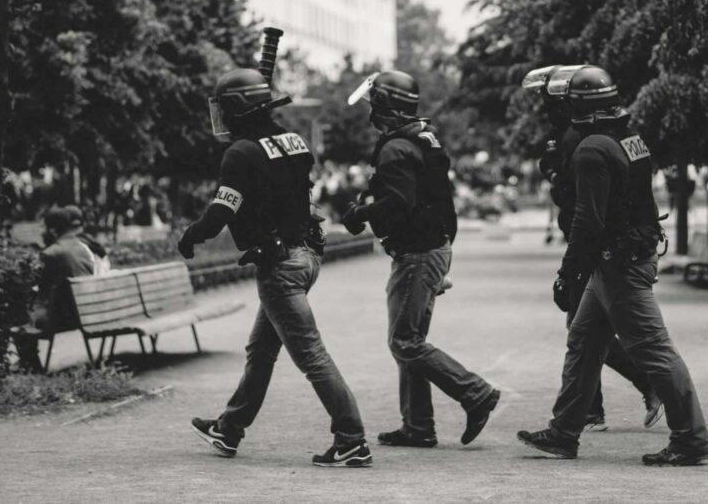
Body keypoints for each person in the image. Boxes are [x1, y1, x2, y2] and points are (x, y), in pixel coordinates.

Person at [516, 65, 708, 466]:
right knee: (584, 341)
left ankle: (691, 440)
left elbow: (588, 220)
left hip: (618, 262)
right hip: (623, 255)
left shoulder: (591, 149)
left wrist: (567, 274)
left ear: (575, 105)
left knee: (654, 350)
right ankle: (563, 433)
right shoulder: (629, 137)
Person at [183, 67, 371, 468]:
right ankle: (229, 428)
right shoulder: (295, 142)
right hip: (307, 255)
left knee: (312, 356)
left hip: (280, 266)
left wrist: (191, 236)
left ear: (237, 109)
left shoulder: (240, 153)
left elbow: (223, 210)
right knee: (262, 349)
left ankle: (352, 439)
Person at [341, 70, 500, 449]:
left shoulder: (396, 147)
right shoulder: (423, 138)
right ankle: (418, 426)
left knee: (405, 342)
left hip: (417, 252)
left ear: (385, 107)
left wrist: (361, 214)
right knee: (410, 338)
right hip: (431, 246)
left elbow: (399, 203)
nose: (370, 113)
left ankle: (475, 392)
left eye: (374, 104)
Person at [521, 65, 663, 432]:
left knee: (618, 335)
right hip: (615, 243)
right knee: (586, 330)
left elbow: (583, 205)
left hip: (604, 247)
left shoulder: (582, 139)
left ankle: (649, 393)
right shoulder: (617, 133)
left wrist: (570, 271)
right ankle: (581, 416)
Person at [15, 205, 107, 371]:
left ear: (53, 230)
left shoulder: (51, 253)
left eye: (44, 227)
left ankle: (29, 365)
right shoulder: (84, 249)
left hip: (60, 319)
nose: (42, 231)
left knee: (18, 315)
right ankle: (29, 364)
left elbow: (31, 284)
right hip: (85, 314)